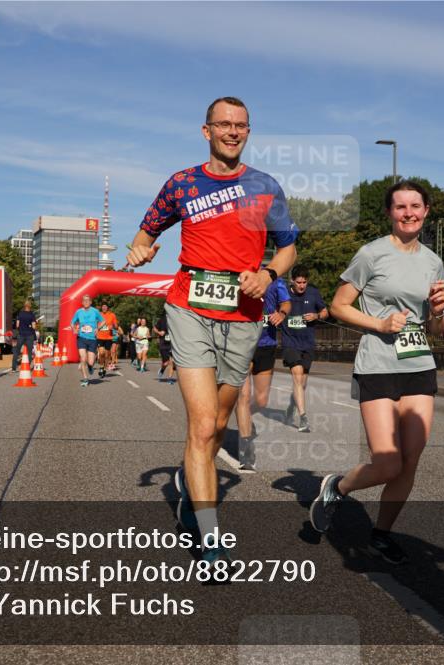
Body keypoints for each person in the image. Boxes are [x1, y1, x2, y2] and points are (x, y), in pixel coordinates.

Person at [126, 96, 297, 567]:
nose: (232, 131)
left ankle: (185, 481)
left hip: (243, 313)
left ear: (248, 131)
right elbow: (145, 234)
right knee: (203, 425)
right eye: (223, 124)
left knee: (219, 423)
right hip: (189, 307)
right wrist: (141, 250)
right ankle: (211, 539)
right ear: (206, 131)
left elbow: (288, 250)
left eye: (240, 125)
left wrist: (268, 275)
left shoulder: (265, 187)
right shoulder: (182, 184)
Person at [309, 180, 444, 565]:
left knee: (410, 461)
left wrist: (438, 312)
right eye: (400, 206)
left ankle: (382, 534)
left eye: (415, 206)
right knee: (388, 462)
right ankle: (337, 487)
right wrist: (379, 324)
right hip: (378, 365)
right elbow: (338, 306)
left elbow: (438, 330)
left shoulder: (433, 261)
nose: (408, 213)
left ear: (426, 211)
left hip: (419, 364)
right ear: (389, 212)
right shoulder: (371, 254)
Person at [235, 274, 291, 471]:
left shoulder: (275, 280)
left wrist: (282, 314)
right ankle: (246, 448)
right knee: (242, 397)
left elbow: (286, 303)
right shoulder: (238, 275)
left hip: (266, 345)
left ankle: (245, 417)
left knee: (261, 401)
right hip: (241, 343)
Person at [279, 265, 328, 433]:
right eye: (298, 282)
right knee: (297, 376)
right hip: (290, 343)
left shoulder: (313, 293)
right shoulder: (283, 293)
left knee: (302, 383)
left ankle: (291, 407)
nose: (301, 286)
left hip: (307, 343)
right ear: (292, 280)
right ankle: (303, 418)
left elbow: (325, 311)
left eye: (304, 282)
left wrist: (316, 316)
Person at [71, 294, 103, 387]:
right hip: (81, 338)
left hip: (92, 339)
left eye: (87, 301)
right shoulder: (78, 312)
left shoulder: (95, 311)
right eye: (84, 301)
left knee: (91, 362)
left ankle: (89, 366)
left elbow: (103, 321)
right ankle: (85, 378)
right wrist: (74, 329)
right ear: (82, 302)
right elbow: (72, 322)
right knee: (83, 358)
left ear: (90, 302)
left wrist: (98, 328)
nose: (85, 302)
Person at [11, 300, 38, 371]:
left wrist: (21, 327)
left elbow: (17, 325)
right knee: (29, 352)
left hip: (21, 334)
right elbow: (34, 327)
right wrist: (35, 324)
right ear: (30, 306)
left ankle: (14, 368)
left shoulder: (20, 314)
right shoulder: (32, 315)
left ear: (24, 306)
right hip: (30, 335)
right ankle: (27, 367)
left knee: (17, 351)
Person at [97, 303, 119, 378]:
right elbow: (94, 324)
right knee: (101, 353)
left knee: (107, 355)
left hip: (109, 338)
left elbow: (116, 326)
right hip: (100, 337)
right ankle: (101, 368)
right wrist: (98, 327)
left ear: (108, 308)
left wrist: (112, 326)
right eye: (103, 306)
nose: (104, 308)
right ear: (101, 307)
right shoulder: (98, 314)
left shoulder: (112, 315)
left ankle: (104, 368)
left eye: (105, 306)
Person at [154, 312, 176, 384]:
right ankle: (162, 370)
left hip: (172, 343)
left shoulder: (175, 319)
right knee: (166, 363)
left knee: (172, 361)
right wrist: (159, 333)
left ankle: (170, 378)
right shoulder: (162, 319)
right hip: (163, 343)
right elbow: (154, 328)